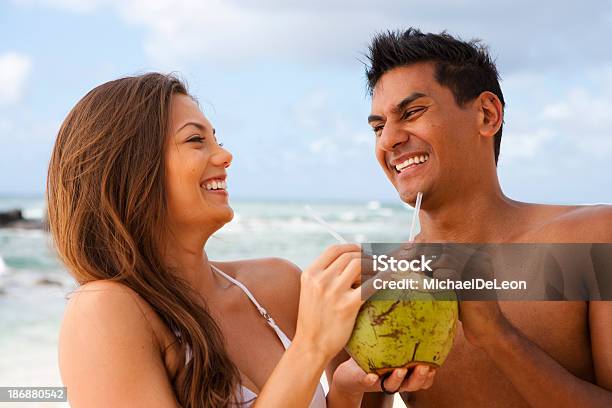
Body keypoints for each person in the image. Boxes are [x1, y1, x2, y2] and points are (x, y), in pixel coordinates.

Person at [47, 73, 428, 407]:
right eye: (196, 140)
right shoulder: (101, 311)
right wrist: (311, 346)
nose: (225, 155)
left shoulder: (276, 284)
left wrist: (353, 389)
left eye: (217, 139)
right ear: (131, 169)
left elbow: (479, 264)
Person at [338, 28, 612, 407]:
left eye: (412, 113)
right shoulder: (373, 284)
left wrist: (498, 336)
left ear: (487, 114)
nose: (388, 141)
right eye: (378, 127)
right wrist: (343, 388)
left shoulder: (591, 241)